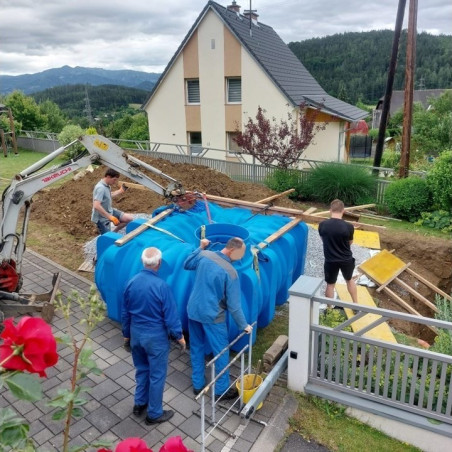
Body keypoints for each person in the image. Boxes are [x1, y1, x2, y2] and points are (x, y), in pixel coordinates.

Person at [122, 247, 186, 425]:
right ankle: (154, 413)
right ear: (158, 263)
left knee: (142, 370)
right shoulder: (162, 287)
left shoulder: (130, 282)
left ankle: (139, 403)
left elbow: (125, 313)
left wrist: (127, 336)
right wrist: (179, 337)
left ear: (143, 262)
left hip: (136, 334)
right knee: (157, 375)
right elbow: (171, 316)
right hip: (155, 338)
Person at [184, 237, 252, 400]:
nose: (241, 258)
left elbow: (187, 264)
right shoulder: (231, 272)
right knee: (221, 352)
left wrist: (200, 248)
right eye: (240, 254)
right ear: (231, 251)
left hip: (193, 310)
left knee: (197, 347)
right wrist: (244, 325)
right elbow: (234, 306)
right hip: (213, 316)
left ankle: (197, 385)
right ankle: (221, 390)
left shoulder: (204, 255)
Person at [318, 199, 358, 304]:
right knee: (349, 280)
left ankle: (329, 309)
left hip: (330, 260)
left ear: (330, 210)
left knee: (330, 285)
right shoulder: (349, 227)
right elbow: (350, 242)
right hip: (346, 259)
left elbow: (323, 240)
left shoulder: (322, 225)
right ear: (343, 211)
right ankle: (356, 305)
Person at [91, 168, 133, 234]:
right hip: (101, 218)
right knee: (107, 238)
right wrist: (110, 217)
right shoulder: (100, 188)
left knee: (129, 219)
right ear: (108, 177)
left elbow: (108, 195)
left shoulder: (107, 185)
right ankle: (110, 235)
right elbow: (96, 205)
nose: (115, 182)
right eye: (114, 180)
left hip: (109, 211)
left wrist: (120, 191)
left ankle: (114, 232)